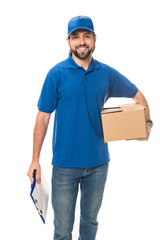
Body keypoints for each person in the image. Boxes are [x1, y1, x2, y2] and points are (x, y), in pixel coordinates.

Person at [27, 16, 153, 240]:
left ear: (94, 39)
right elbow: (43, 117)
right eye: (76, 37)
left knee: (90, 222)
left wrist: (146, 125)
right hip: (65, 166)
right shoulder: (56, 74)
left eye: (86, 36)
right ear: (68, 41)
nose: (81, 41)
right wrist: (35, 159)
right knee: (63, 229)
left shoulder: (105, 73)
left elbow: (137, 94)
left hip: (98, 164)